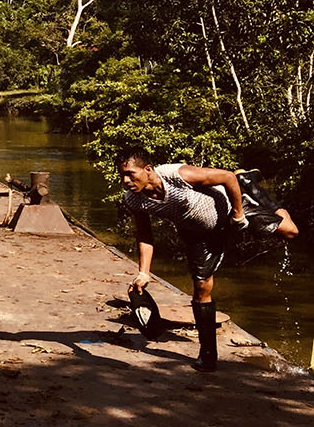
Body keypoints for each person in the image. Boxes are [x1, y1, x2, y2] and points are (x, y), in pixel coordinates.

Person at [118, 146, 299, 372]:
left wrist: (238, 214)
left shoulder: (177, 175)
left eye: (130, 174)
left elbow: (226, 176)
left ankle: (249, 183)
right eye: (122, 175)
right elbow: (144, 235)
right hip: (199, 232)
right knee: (202, 287)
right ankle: (208, 354)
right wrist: (144, 273)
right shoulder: (134, 200)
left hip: (232, 206)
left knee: (291, 232)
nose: (126, 181)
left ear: (147, 169)